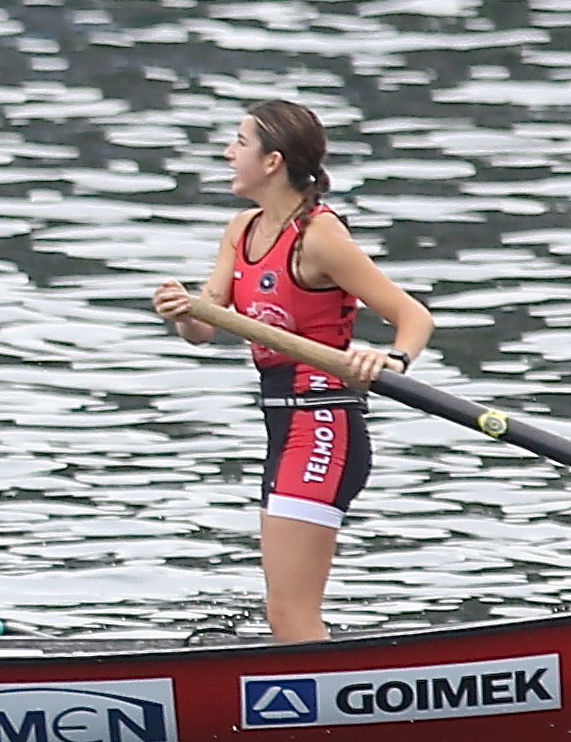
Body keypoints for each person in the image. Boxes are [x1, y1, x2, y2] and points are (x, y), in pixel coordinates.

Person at [155, 95, 434, 639]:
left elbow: (412, 316)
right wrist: (181, 310)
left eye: (239, 142)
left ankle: (326, 711)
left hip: (324, 422)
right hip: (281, 426)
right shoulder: (241, 230)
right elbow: (204, 328)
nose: (226, 152)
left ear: (272, 161)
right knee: (282, 612)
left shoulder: (319, 237)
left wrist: (391, 357)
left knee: (291, 613)